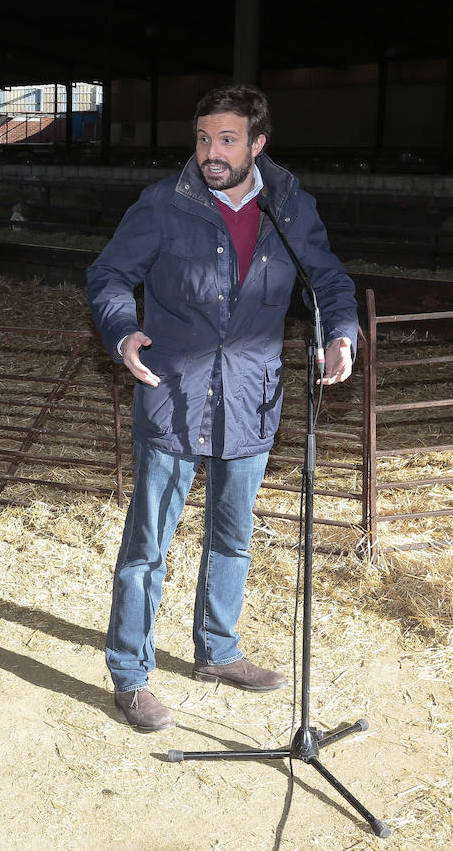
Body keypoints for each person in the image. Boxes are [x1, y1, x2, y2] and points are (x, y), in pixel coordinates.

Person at [86, 84, 358, 732]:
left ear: (257, 144)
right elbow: (109, 276)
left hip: (251, 396)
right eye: (204, 138)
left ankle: (218, 650)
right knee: (147, 546)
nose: (211, 152)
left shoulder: (288, 209)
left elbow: (329, 279)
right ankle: (130, 674)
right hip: (171, 394)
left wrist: (341, 331)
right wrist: (123, 331)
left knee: (232, 537)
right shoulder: (162, 206)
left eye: (227, 140)